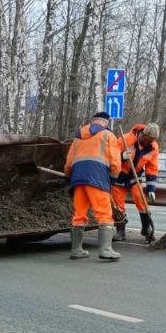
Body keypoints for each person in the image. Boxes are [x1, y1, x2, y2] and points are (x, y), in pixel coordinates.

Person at [64, 111, 123, 261]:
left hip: (78, 179)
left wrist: (69, 176)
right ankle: (105, 249)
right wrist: (113, 179)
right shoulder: (108, 135)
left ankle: (76, 250)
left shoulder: (78, 137)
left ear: (93, 121)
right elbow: (115, 162)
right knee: (104, 213)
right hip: (97, 178)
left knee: (79, 214)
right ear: (106, 123)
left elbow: (69, 162)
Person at [112, 123, 160, 242]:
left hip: (134, 177)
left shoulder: (153, 147)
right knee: (118, 205)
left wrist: (151, 189)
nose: (149, 142)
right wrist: (121, 156)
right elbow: (110, 156)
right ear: (143, 134)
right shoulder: (125, 139)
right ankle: (120, 231)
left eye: (152, 140)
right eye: (148, 140)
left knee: (141, 200)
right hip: (119, 177)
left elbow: (152, 169)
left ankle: (146, 229)